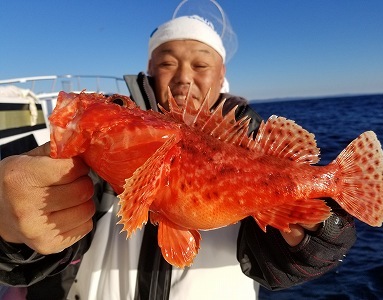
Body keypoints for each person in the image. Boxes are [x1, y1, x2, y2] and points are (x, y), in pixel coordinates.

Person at [0, 14, 356, 300]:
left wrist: (317, 241)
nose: (184, 77)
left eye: (200, 66)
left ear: (222, 76)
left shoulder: (250, 140)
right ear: (151, 70)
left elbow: (277, 266)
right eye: (169, 63)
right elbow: (39, 259)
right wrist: (11, 231)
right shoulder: (108, 145)